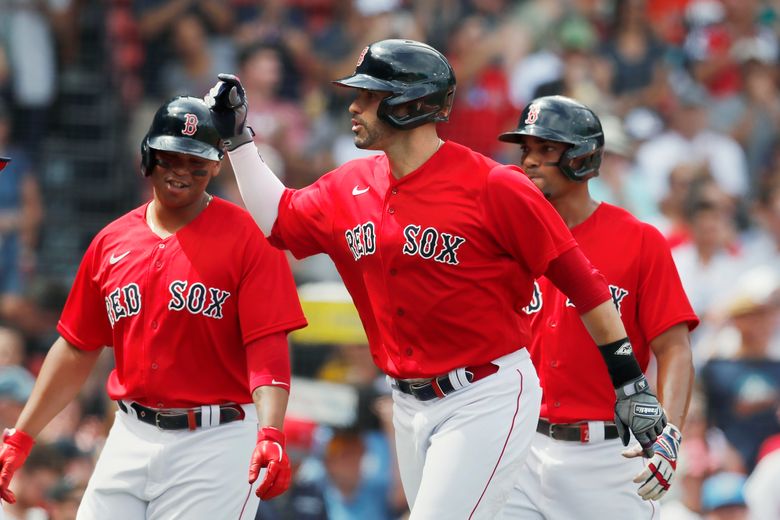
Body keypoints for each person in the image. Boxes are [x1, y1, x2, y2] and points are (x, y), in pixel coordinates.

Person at [207, 39, 667, 519]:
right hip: (406, 403)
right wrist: (239, 142)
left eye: (369, 95)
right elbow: (278, 220)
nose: (354, 105)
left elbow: (586, 286)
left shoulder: (495, 186)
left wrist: (630, 385)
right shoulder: (349, 184)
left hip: (485, 394)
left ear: (411, 105)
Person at [0, 96, 308, 519]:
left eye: (196, 161)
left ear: (216, 164)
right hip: (129, 432)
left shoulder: (249, 238)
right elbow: (76, 348)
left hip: (216, 440)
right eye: (170, 157)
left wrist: (271, 430)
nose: (181, 170)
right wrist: (23, 435)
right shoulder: (111, 241)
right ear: (148, 155)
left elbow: (267, 346)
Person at [497, 95, 699, 519]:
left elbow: (674, 348)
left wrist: (671, 432)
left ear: (583, 157)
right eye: (527, 150)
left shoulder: (639, 240)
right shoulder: (506, 240)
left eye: (546, 149)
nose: (530, 161)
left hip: (608, 455)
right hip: (520, 445)